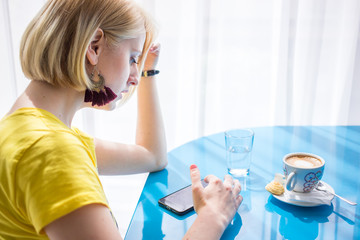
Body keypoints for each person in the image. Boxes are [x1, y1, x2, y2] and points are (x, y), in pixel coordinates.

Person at [0, 0, 243, 239]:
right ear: (93, 48)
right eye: (132, 58)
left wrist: (148, 72)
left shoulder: (23, 127)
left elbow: (152, 156)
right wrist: (214, 216)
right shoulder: (52, 151)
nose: (134, 78)